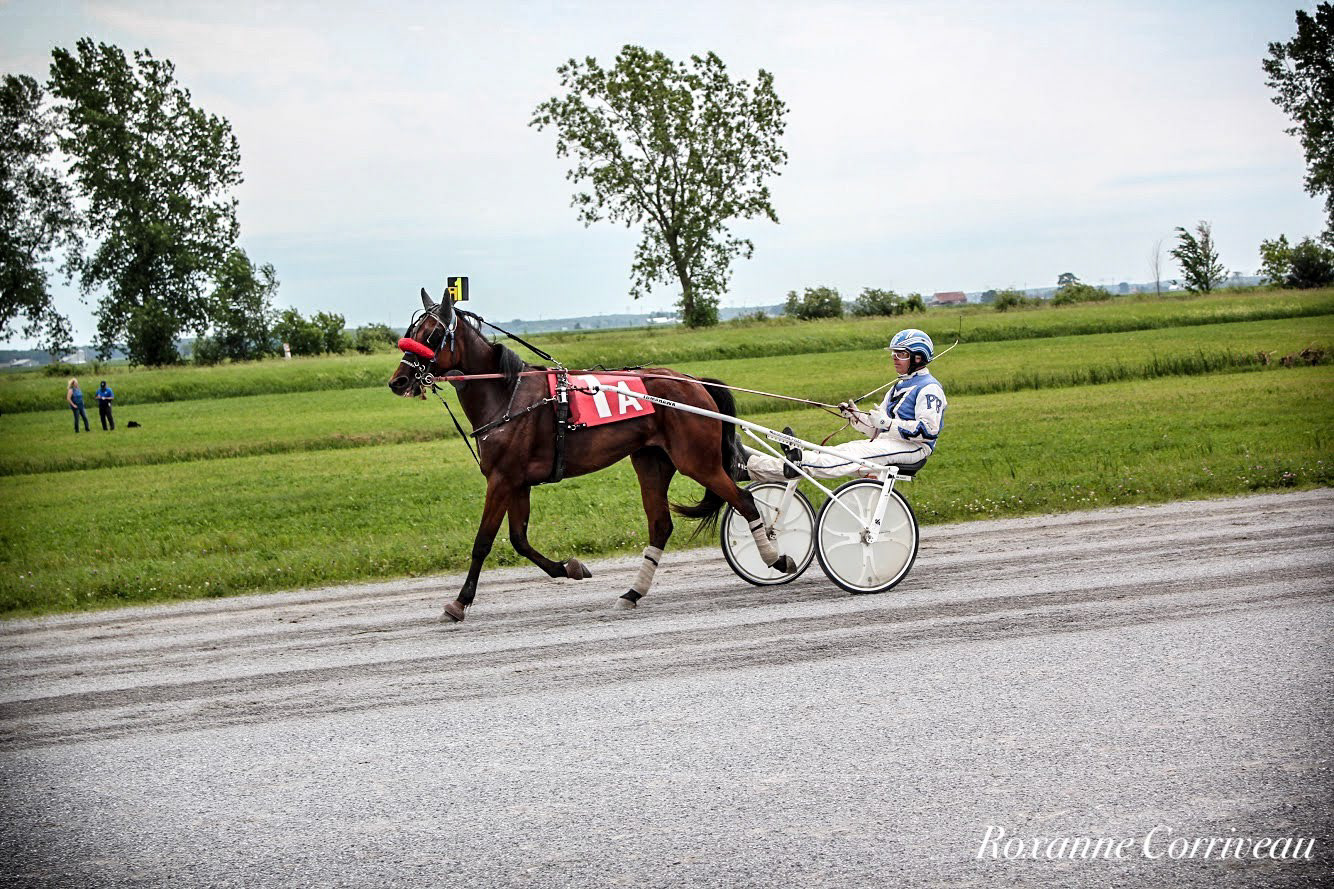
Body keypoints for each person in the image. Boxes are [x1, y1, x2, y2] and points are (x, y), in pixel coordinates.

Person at [737, 328, 947, 482]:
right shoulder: (899, 385)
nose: (894, 359)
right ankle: (762, 464)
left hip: (913, 448)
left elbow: (929, 431)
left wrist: (888, 423)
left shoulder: (929, 388)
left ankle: (786, 461)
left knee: (847, 457)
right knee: (840, 451)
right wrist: (856, 417)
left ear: (918, 358)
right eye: (893, 353)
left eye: (901, 354)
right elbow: (876, 427)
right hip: (889, 442)